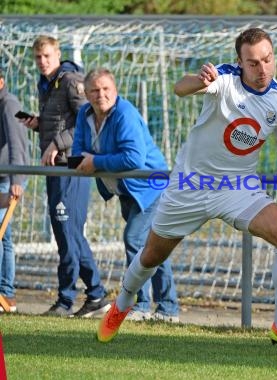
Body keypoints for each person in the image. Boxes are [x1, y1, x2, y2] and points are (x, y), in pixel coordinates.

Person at [97, 27, 277, 351]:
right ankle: (122, 304)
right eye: (253, 63)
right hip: (191, 184)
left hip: (238, 187)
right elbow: (180, 88)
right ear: (239, 62)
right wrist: (198, 81)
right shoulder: (224, 79)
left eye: (267, 60)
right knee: (150, 256)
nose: (262, 69)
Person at [72, 68, 180, 322]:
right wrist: (73, 160)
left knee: (134, 239)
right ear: (86, 94)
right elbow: (78, 151)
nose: (101, 95)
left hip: (150, 187)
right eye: (95, 90)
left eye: (106, 89)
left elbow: (134, 158)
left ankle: (141, 306)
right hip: (125, 190)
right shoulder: (84, 115)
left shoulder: (125, 114)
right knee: (154, 248)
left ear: (115, 90)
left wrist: (96, 161)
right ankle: (168, 309)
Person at [21, 35, 110, 317]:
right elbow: (63, 122)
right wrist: (39, 125)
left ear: (58, 54)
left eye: (47, 56)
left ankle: (66, 298)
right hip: (56, 166)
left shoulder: (71, 81)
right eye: (38, 57)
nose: (42, 62)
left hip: (71, 166)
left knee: (67, 231)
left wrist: (57, 142)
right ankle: (95, 293)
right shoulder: (46, 83)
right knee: (67, 232)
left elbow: (87, 120)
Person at [0, 68, 29, 313]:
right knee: (4, 237)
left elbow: (17, 142)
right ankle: (7, 294)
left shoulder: (9, 104)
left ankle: (4, 293)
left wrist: (16, 179)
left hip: (9, 177)